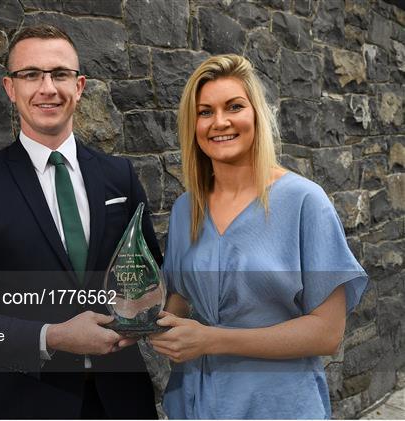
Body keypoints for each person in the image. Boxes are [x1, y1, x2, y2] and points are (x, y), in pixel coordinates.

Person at [0, 24, 160, 419]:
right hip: (29, 403)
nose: (47, 87)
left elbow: (151, 274)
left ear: (80, 85)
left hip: (124, 401)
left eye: (60, 74)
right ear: (10, 87)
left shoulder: (119, 175)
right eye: (31, 74)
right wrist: (52, 337)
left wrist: (144, 314)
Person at [149, 55, 368, 419]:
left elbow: (327, 333)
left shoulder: (304, 202)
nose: (219, 122)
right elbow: (181, 298)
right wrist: (142, 323)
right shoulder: (186, 208)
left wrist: (211, 340)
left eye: (234, 106)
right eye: (205, 112)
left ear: (256, 115)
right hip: (195, 403)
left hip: (275, 405)